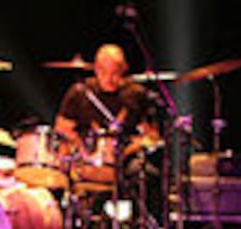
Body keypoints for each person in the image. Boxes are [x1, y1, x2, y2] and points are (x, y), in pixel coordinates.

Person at [52, 43, 162, 177]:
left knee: (147, 173)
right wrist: (81, 148)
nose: (109, 78)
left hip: (125, 160)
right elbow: (62, 128)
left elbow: (152, 134)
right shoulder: (80, 92)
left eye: (115, 72)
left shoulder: (136, 94)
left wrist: (129, 149)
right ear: (96, 69)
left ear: (124, 70)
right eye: (103, 71)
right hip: (85, 159)